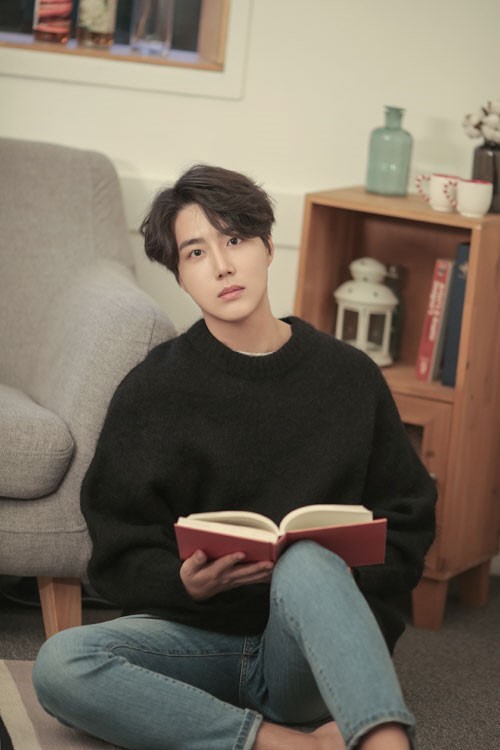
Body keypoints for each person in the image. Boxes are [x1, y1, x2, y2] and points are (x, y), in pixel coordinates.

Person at [33, 165, 437, 750]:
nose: (222, 266)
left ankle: (383, 739)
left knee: (308, 562)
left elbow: (410, 516)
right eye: (196, 253)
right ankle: (292, 744)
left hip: (309, 657)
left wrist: (341, 580)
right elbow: (116, 547)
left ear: (268, 247)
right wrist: (182, 582)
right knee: (61, 664)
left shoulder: (349, 377)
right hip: (197, 644)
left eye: (235, 239)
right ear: (179, 276)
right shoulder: (153, 391)